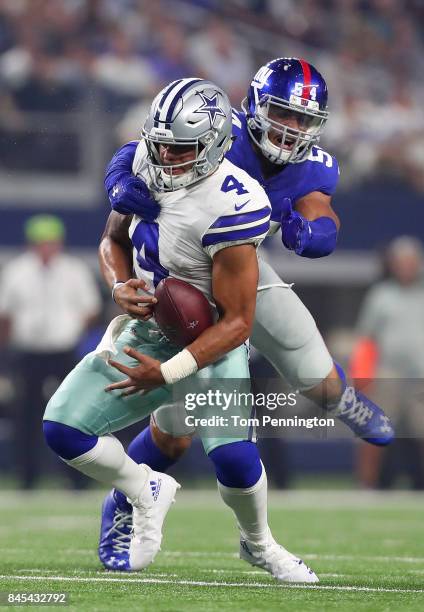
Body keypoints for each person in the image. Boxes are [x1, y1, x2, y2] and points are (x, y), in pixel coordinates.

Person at [98, 59, 394, 570]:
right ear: (254, 104)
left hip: (242, 273)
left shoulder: (313, 164)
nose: (293, 128)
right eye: (283, 113)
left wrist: (320, 230)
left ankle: (344, 400)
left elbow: (319, 206)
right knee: (174, 431)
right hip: (181, 285)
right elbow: (136, 152)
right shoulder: (214, 126)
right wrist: (119, 180)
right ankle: (124, 501)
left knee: (316, 378)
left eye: (304, 120)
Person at [43, 78, 317, 582]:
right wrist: (120, 283)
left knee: (233, 460)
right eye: (160, 142)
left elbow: (237, 323)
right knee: (62, 429)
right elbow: (112, 238)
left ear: (213, 145)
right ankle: (144, 488)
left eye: (180, 147)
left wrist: (166, 373)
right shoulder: (148, 160)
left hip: (211, 340)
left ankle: (261, 545)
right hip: (148, 328)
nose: (165, 155)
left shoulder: (235, 203)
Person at [0, 214, 101, 489]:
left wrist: (71, 329)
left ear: (59, 243)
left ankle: (76, 480)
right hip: (28, 352)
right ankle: (26, 478)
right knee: (26, 415)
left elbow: (91, 309)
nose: (46, 247)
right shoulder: (16, 271)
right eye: (41, 243)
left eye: (50, 242)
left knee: (71, 414)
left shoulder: (74, 270)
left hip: (63, 351)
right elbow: (5, 314)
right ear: (32, 244)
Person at [350, 236, 424, 489]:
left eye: (410, 262)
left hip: (421, 377)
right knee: (372, 432)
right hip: (387, 374)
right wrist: (362, 376)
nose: (406, 267)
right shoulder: (381, 295)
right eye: (401, 262)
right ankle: (366, 486)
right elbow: (366, 338)